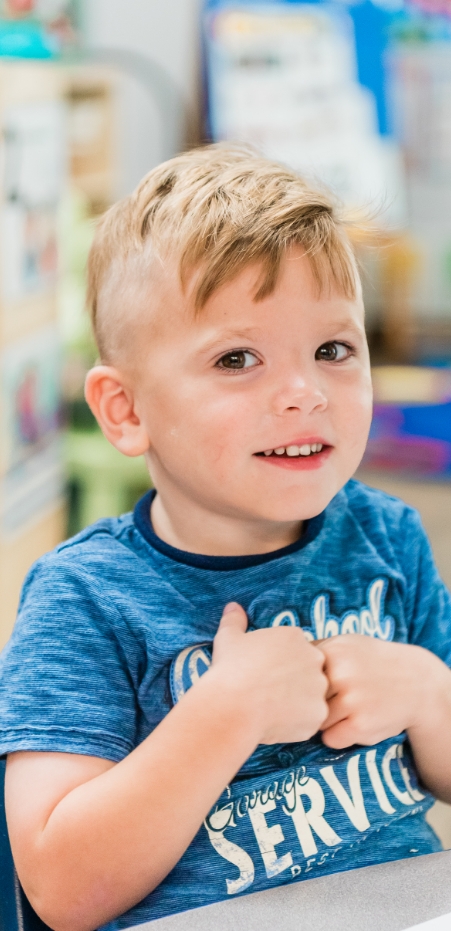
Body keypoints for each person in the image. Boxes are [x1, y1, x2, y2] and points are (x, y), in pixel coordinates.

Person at [1, 145, 451, 931]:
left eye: (333, 349)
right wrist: (224, 715)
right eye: (237, 358)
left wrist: (424, 690)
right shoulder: (84, 597)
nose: (304, 392)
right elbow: (60, 889)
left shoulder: (386, 537)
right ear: (126, 411)